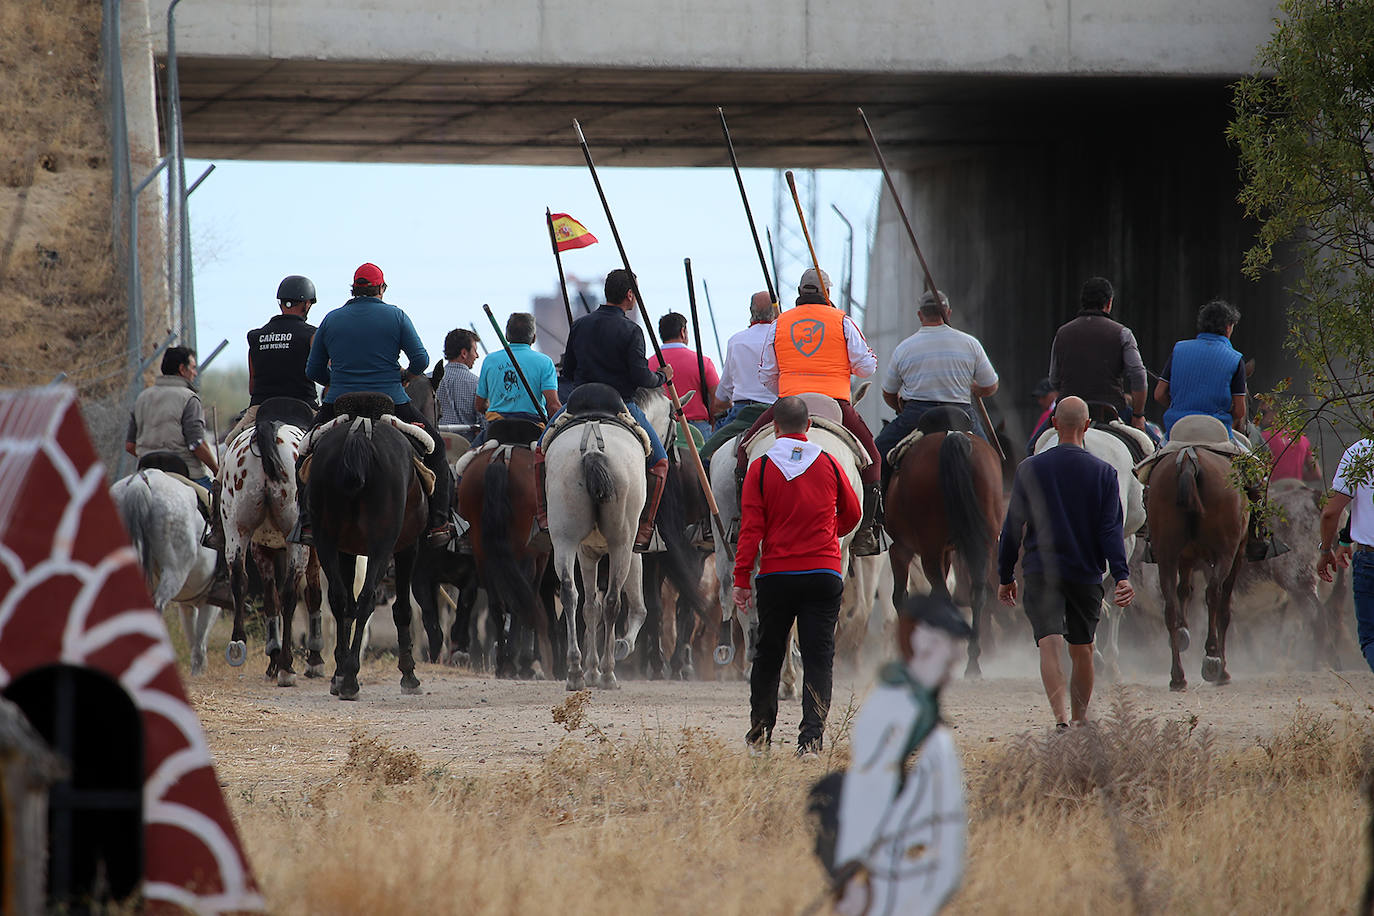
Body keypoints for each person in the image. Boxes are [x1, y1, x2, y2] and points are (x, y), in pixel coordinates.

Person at [817, 593, 972, 916]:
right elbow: (868, 792)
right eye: (946, 658)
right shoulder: (892, 709)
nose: (950, 670)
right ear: (918, 645)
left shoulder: (920, 708)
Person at [734, 396, 862, 757]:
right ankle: (811, 742)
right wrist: (828, 533)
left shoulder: (759, 468)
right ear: (808, 427)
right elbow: (853, 514)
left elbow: (750, 532)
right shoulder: (830, 463)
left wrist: (741, 579)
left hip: (776, 576)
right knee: (819, 656)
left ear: (774, 428)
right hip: (823, 573)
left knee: (769, 655)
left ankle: (760, 737)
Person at [292, 262, 453, 548]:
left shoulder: (332, 319)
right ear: (381, 289)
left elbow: (312, 370)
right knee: (437, 449)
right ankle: (438, 523)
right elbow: (422, 361)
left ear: (354, 290)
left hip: (339, 402)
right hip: (391, 401)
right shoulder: (396, 316)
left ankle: (306, 522)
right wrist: (405, 376)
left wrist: (337, 380)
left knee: (304, 453)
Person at [996, 397, 1133, 729]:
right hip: (1086, 573)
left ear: (1054, 424)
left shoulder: (1029, 468)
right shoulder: (1105, 472)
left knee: (1049, 644)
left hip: (1041, 571)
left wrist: (1005, 575)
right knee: (1083, 648)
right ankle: (1080, 719)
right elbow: (1111, 531)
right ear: (1086, 426)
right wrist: (1121, 575)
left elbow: (1011, 529)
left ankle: (1059, 720)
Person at [734, 269, 883, 556]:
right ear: (827, 291)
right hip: (835, 403)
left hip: (790, 403)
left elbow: (767, 374)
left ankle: (741, 522)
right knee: (873, 459)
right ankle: (867, 530)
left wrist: (790, 383)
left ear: (800, 292)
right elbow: (867, 367)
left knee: (743, 453)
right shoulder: (843, 321)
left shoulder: (781, 323)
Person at [547, 268, 672, 552]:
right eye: (635, 294)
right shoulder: (632, 330)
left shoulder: (580, 325)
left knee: (541, 450)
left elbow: (568, 370)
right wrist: (663, 376)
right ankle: (645, 527)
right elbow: (642, 377)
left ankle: (543, 516)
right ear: (629, 295)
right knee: (661, 462)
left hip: (578, 403)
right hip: (620, 405)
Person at [1154, 299, 1283, 560]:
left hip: (1178, 430)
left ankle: (1148, 530)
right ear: (1228, 328)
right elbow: (1239, 411)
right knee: (1256, 476)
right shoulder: (1235, 359)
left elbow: (1159, 394)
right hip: (1217, 432)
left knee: (1150, 471)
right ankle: (1260, 534)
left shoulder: (1178, 349)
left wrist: (1178, 407)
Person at [205, 275, 319, 551]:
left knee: (226, 456)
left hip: (259, 411)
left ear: (281, 303)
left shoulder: (256, 337)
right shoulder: (313, 334)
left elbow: (253, 384)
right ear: (306, 304)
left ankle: (217, 530)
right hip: (302, 410)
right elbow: (318, 373)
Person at [873, 290, 999, 487]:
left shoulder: (904, 348)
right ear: (948, 313)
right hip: (961, 415)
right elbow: (990, 385)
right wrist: (975, 389)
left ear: (920, 315)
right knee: (990, 459)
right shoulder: (970, 344)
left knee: (877, 454)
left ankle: (877, 511)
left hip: (917, 415)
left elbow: (888, 393)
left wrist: (899, 408)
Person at [1032, 276, 1149, 448]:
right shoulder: (1123, 334)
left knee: (1032, 448)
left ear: (1083, 302)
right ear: (1109, 303)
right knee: (1153, 448)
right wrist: (1138, 415)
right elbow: (1139, 376)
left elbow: (1054, 380)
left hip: (1067, 412)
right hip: (1111, 410)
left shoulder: (1062, 333)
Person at [126, 345, 219, 491]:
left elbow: (130, 446)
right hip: (186, 472)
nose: (195, 373)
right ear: (182, 369)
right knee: (217, 503)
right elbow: (196, 445)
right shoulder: (189, 398)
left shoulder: (142, 398)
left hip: (145, 471)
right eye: (193, 368)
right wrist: (216, 470)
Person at [700, 291, 777, 459]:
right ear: (775, 311)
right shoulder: (782, 339)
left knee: (705, 456)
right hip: (777, 412)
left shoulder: (736, 341)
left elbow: (721, 396)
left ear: (751, 311)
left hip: (743, 413)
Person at [1319, 436, 1374, 671]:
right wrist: (1344, 537)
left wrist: (1325, 549)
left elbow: (1330, 512)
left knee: (1371, 638)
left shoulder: (1360, 451)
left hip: (1369, 559)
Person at [473, 312, 559, 441]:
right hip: (533, 429)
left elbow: (479, 405)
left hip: (496, 429)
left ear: (507, 336)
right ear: (534, 338)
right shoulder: (545, 362)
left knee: (468, 457)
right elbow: (553, 406)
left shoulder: (490, 360)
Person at [648, 311, 718, 440]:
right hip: (697, 429)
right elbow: (717, 398)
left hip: (660, 429)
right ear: (682, 332)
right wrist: (713, 421)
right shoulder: (703, 362)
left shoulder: (648, 364)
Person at [435, 327, 481, 428]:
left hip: (432, 441)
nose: (477, 356)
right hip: (466, 442)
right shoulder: (478, 384)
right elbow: (483, 423)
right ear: (464, 353)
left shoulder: (427, 380)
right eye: (475, 351)